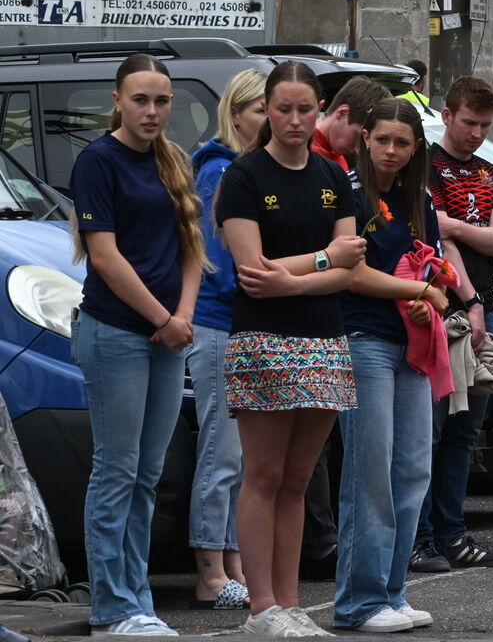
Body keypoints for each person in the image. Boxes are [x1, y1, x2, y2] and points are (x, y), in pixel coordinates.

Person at [216, 61, 366, 637]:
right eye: (284, 109)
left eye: (307, 109)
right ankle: (261, 609)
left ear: (321, 110)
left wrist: (299, 278)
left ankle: (289, 601)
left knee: (300, 481)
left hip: (324, 338)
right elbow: (252, 271)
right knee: (264, 474)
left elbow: (351, 269)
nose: (296, 120)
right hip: (264, 340)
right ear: (267, 111)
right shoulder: (244, 176)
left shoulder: (334, 175)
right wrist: (324, 261)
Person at [69, 53, 206, 637]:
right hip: (115, 332)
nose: (152, 111)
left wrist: (183, 316)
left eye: (162, 100)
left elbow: (191, 246)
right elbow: (104, 255)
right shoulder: (97, 161)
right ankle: (112, 609)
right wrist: (162, 318)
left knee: (148, 473)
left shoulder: (172, 160)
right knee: (117, 470)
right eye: (141, 99)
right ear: (118, 101)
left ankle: (137, 601)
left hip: (167, 333)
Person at [334, 98, 447, 633]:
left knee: (412, 471)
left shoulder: (419, 198)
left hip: (412, 346)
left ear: (416, 147)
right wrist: (418, 288)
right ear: (365, 139)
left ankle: (392, 592)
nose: (392, 151)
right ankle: (359, 601)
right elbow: (351, 275)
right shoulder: (347, 196)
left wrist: (429, 296)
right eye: (383, 140)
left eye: (403, 143)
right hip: (363, 341)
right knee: (371, 474)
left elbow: (434, 271)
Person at [411, 77, 493, 569]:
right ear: (448, 115)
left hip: (484, 307)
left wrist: (452, 225)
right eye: (469, 122)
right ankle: (419, 537)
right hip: (441, 306)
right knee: (429, 431)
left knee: (466, 431)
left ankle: (453, 534)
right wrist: (469, 299)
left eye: (485, 125)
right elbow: (438, 243)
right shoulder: (425, 165)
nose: (476, 133)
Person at [302, 74, 391, 580]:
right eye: (363, 138)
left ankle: (324, 535)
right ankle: (319, 543)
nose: (365, 151)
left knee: (328, 440)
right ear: (340, 117)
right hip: (315, 309)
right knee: (310, 444)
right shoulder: (320, 164)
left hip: (335, 311)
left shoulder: (336, 162)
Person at [187, 68, 266, 611]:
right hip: (219, 323)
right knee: (220, 451)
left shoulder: (249, 168)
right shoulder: (219, 170)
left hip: (245, 324)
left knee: (241, 454)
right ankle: (211, 572)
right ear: (235, 113)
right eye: (260, 109)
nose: (271, 119)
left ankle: (233, 564)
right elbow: (221, 264)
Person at [311, 75, 392, 171]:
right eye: (357, 137)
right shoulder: (300, 153)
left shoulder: (335, 156)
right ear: (342, 113)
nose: (357, 150)